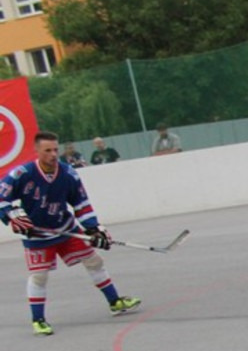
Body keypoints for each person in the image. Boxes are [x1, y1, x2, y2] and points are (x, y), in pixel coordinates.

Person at [0, 131, 142, 335]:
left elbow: (81, 203)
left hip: (66, 229)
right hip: (37, 235)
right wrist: (13, 216)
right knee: (39, 276)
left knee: (94, 261)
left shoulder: (68, 173)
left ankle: (115, 302)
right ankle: (38, 320)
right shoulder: (22, 173)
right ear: (37, 150)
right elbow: (2, 197)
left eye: (55, 150)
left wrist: (94, 228)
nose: (53, 154)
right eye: (47, 150)